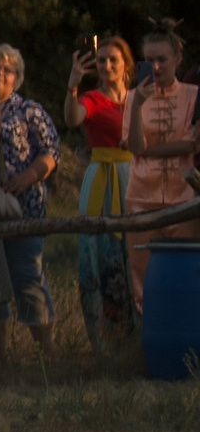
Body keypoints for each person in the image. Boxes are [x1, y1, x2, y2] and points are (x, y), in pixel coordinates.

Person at [0, 44, 59, 363]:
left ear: (18, 78)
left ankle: (44, 354)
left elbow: (51, 152)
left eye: (7, 69)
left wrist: (26, 179)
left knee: (28, 278)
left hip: (25, 208)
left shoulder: (29, 111)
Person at [123, 26, 199, 306]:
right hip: (142, 195)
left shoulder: (193, 95)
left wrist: (147, 151)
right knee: (143, 277)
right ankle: (147, 341)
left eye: (162, 59)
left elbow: (191, 145)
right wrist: (138, 106)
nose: (155, 67)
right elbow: (135, 146)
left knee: (187, 273)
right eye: (148, 60)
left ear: (178, 59)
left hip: (184, 195)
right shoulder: (134, 97)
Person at [68, 35, 137, 348]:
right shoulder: (93, 99)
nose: (107, 65)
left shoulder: (139, 98)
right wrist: (72, 87)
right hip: (103, 178)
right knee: (101, 251)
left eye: (113, 59)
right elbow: (72, 118)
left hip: (135, 175)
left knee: (135, 251)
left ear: (126, 64)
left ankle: (138, 333)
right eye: (101, 60)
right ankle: (106, 339)